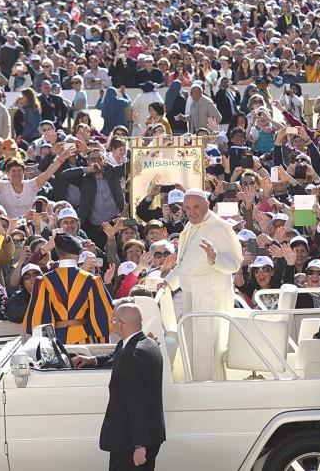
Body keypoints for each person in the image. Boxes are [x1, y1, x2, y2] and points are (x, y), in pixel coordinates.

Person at [162, 188, 243, 381]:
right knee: (193, 348)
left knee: (208, 352)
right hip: (192, 297)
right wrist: (167, 283)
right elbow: (185, 265)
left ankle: (209, 394)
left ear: (207, 205)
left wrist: (214, 256)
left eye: (196, 207)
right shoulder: (190, 227)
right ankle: (195, 388)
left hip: (210, 299)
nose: (192, 212)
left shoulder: (219, 228)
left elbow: (234, 263)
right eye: (187, 208)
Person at [87, 304, 166, 471]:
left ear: (121, 324)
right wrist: (93, 360)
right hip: (150, 434)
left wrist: (139, 445)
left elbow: (136, 402)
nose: (112, 322)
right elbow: (116, 356)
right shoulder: (148, 344)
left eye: (114, 319)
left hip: (130, 441)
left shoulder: (130, 355)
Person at [23, 233, 114, 344]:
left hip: (56, 341)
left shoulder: (44, 281)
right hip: (85, 338)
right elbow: (104, 316)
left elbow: (38, 318)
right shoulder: (91, 280)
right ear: (75, 255)